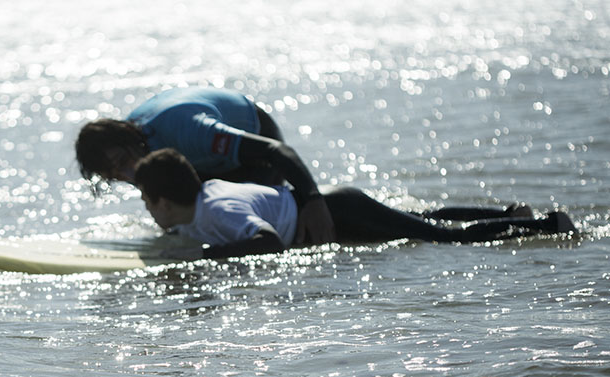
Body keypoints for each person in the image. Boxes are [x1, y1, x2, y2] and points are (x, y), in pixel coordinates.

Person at [132, 149, 577, 260]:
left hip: (338, 211)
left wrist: (203, 257)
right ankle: (508, 215)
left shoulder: (216, 213)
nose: (148, 210)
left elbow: (267, 242)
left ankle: (546, 225)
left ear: (165, 201)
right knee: (418, 221)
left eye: (148, 202)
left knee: (439, 237)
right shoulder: (200, 199)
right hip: (336, 207)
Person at [74, 86, 336, 244]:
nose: (126, 174)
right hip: (199, 159)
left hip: (255, 140)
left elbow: (275, 150)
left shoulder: (190, 130)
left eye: (122, 163)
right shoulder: (132, 149)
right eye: (114, 175)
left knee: (246, 228)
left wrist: (313, 200)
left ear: (129, 138)